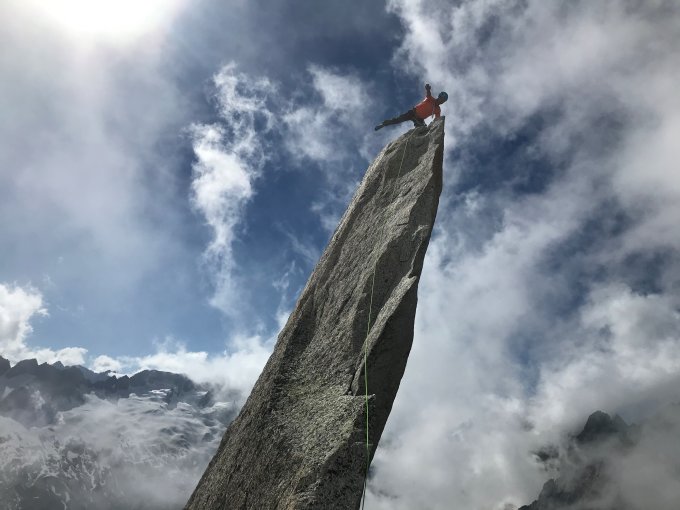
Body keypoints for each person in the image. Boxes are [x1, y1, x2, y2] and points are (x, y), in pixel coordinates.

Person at [374, 84, 448, 131]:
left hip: (419, 119)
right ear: (439, 97)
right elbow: (428, 94)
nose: (441, 102)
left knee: (423, 130)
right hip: (413, 113)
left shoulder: (438, 110)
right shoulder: (431, 99)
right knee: (398, 120)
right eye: (441, 99)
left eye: (443, 101)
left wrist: (437, 126)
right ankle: (384, 124)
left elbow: (437, 119)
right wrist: (428, 89)